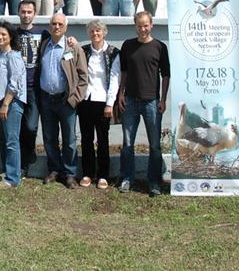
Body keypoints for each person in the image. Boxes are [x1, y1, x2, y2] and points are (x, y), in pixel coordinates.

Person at [118, 11, 170, 196]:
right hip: (130, 101)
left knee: (154, 146)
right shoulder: (128, 46)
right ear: (135, 26)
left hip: (152, 103)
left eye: (146, 25)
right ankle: (126, 178)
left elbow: (165, 75)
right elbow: (123, 72)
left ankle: (154, 182)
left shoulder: (160, 47)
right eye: (139, 26)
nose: (142, 29)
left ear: (151, 25)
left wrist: (163, 99)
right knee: (127, 144)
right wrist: (120, 94)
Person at [35, 13, 87, 189]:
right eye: (53, 24)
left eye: (60, 24)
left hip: (66, 101)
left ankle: (70, 173)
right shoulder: (44, 46)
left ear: (65, 27)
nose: (56, 27)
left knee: (70, 140)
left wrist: (75, 98)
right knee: (49, 138)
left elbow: (83, 76)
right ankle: (54, 170)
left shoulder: (72, 47)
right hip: (46, 99)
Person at [78, 19, 120, 190]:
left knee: (103, 140)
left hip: (103, 102)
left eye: (98, 31)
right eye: (92, 31)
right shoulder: (84, 50)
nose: (95, 34)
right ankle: (87, 173)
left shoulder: (113, 52)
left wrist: (110, 103)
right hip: (85, 101)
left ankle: (103, 175)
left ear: (104, 32)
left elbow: (115, 79)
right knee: (86, 139)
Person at [0, 20, 26, 190]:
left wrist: (6, 104)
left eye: (3, 34)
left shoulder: (14, 56)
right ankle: (8, 171)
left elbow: (15, 83)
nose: (0, 37)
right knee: (2, 140)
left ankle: (12, 179)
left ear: (10, 36)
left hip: (10, 104)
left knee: (11, 141)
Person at [16, 0, 49, 177]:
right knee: (19, 127)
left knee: (30, 126)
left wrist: (71, 43)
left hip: (35, 88)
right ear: (18, 13)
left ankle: (29, 152)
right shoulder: (13, 34)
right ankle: (23, 165)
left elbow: (56, 48)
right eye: (23, 11)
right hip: (16, 89)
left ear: (34, 14)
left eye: (29, 12)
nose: (26, 15)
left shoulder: (43, 34)